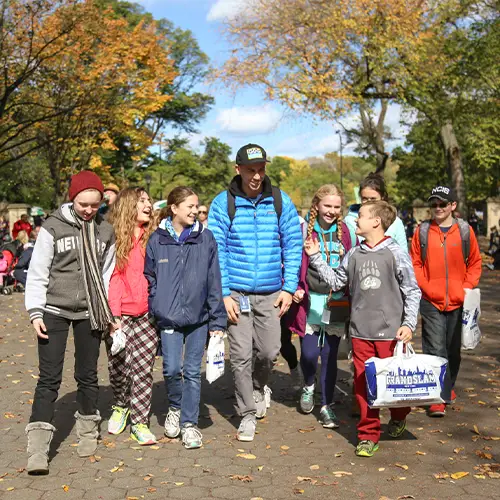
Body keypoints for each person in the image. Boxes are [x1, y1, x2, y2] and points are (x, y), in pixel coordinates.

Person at [305, 201, 421, 457]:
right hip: (359, 334)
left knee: (393, 388)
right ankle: (368, 435)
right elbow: (336, 281)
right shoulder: (354, 254)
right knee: (364, 386)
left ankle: (399, 416)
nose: (355, 220)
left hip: (391, 335)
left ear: (376, 222)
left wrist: (408, 324)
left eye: (361, 216)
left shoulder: (395, 252)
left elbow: (412, 290)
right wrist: (315, 257)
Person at [208, 143, 302, 442]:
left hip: (272, 293)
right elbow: (216, 250)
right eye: (251, 170)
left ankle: (260, 386)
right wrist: (223, 293)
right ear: (238, 169)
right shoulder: (223, 204)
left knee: (269, 352)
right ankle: (246, 413)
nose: (257, 176)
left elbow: (293, 244)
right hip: (236, 292)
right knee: (240, 356)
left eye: (261, 169)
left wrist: (288, 288)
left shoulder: (280, 200)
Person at [24, 170, 116, 474]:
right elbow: (38, 272)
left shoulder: (106, 231)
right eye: (83, 204)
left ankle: (88, 429)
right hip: (54, 310)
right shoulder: (53, 228)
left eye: (94, 205)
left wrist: (108, 313)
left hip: (90, 312)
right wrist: (35, 312)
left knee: (87, 374)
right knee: (49, 378)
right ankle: (37, 447)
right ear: (72, 199)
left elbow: (106, 274)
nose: (89, 210)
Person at [145, 186, 226, 449]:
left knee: (192, 372)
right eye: (190, 206)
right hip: (168, 318)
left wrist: (217, 322)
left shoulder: (206, 238)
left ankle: (189, 424)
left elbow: (214, 281)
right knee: (170, 370)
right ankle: (175, 408)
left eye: (196, 206)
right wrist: (157, 303)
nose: (195, 211)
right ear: (174, 208)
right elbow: (150, 277)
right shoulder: (157, 239)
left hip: (199, 319)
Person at [287, 185, 356, 428]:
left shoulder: (346, 232)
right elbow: (293, 260)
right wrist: (294, 286)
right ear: (316, 205)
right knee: (309, 354)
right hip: (310, 302)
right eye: (327, 206)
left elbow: (352, 264)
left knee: (329, 357)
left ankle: (326, 405)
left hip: (336, 302)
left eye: (337, 207)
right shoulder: (303, 230)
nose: (332, 211)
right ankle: (308, 384)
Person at [411, 186, 481, 417]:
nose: (438, 208)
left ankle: (447, 386)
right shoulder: (421, 231)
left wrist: (465, 289)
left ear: (453, 206)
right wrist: (427, 288)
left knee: (453, 349)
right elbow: (416, 264)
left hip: (459, 301)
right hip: (430, 301)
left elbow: (474, 262)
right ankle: (436, 398)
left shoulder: (464, 231)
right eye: (434, 205)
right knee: (434, 349)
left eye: (443, 204)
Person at [106, 187, 158, 445]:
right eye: (141, 201)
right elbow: (113, 278)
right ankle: (120, 405)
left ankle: (139, 421)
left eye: (148, 200)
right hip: (120, 314)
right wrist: (114, 317)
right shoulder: (115, 239)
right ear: (129, 206)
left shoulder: (155, 237)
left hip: (148, 315)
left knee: (143, 369)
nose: (147, 204)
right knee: (118, 367)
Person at [344, 173, 407, 251]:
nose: (369, 202)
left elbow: (403, 253)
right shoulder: (350, 221)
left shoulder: (395, 222)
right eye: (365, 198)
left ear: (383, 197)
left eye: (373, 199)